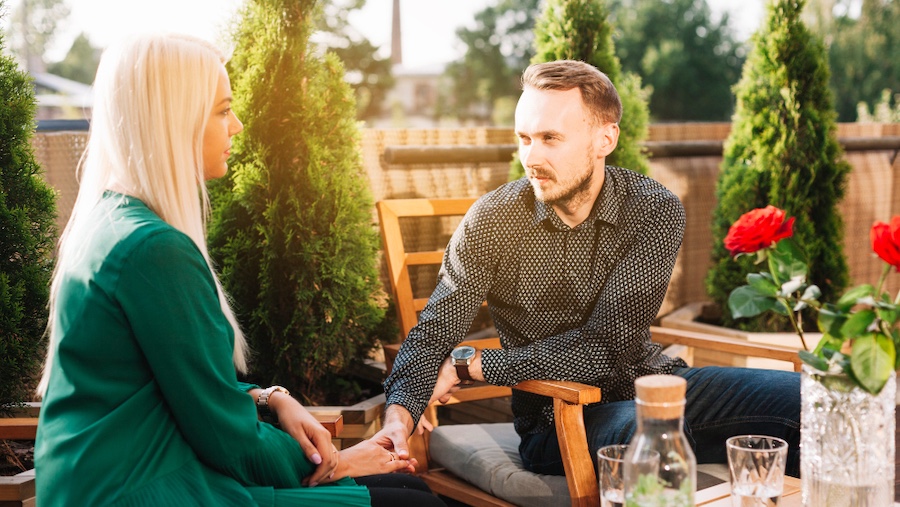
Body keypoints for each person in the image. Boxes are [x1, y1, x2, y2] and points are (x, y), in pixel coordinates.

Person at [34, 33, 445, 507]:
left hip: (103, 478)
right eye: (222, 110)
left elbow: (185, 385)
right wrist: (342, 462)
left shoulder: (108, 222)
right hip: (140, 488)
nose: (238, 126)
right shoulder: (153, 249)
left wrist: (269, 397)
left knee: (404, 490)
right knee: (413, 499)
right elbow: (225, 439)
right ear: (176, 120)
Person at [376, 59, 801, 480]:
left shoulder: (652, 209)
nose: (532, 157)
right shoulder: (494, 219)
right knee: (652, 435)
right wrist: (399, 417)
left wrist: (472, 367)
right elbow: (434, 332)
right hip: (557, 418)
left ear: (605, 139)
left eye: (549, 138)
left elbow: (606, 349)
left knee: (809, 401)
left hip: (652, 383)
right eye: (524, 138)